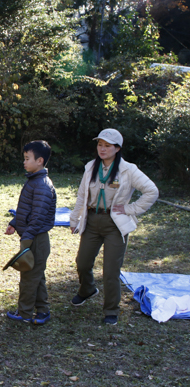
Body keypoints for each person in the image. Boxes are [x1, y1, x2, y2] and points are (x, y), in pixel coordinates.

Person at [69, 129, 158, 325]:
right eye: (100, 144)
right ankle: (87, 290)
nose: (102, 149)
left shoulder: (128, 170)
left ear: (117, 148)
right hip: (92, 221)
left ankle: (111, 310)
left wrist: (130, 208)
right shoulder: (91, 167)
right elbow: (82, 196)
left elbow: (151, 191)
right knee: (82, 263)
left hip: (115, 224)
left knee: (111, 271)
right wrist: (74, 219)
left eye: (107, 146)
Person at [5, 140, 56, 325]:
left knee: (28, 276)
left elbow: (38, 216)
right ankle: (43, 311)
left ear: (40, 160)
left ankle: (24, 313)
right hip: (32, 236)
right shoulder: (34, 180)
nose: (24, 162)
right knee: (37, 276)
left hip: (36, 238)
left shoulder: (42, 184)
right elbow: (26, 209)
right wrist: (14, 222)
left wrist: (27, 237)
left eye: (27, 158)